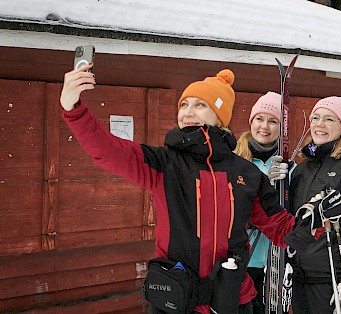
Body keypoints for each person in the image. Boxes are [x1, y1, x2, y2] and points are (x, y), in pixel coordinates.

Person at [59, 64, 296, 314]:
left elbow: (280, 227)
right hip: (176, 300)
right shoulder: (164, 163)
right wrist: (72, 108)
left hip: (230, 300)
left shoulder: (246, 173)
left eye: (200, 104)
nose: (187, 111)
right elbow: (107, 150)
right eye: (184, 105)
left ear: (220, 116)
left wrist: (319, 222)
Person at [283, 96, 341, 314]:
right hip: (299, 278)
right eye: (315, 118)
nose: (319, 124)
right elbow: (292, 220)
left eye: (329, 119)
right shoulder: (301, 169)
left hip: (333, 280)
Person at [233, 91, 288, 314]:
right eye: (259, 118)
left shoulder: (288, 166)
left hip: (276, 262)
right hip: (244, 257)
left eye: (273, 121)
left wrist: (284, 188)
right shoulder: (235, 161)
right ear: (251, 121)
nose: (264, 126)